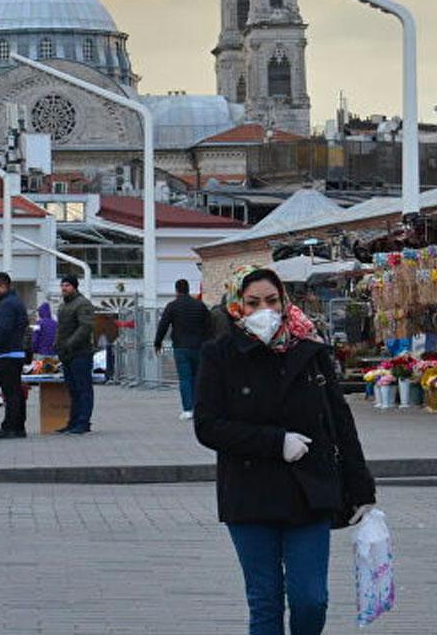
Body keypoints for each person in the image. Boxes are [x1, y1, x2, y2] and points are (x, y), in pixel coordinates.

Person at [194, 266, 376, 635]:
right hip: (249, 493)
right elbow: (208, 426)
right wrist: (276, 442)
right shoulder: (220, 355)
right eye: (253, 302)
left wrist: (361, 488)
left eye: (272, 300)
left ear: (284, 301)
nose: (265, 309)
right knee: (265, 601)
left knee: (311, 599)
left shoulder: (309, 350)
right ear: (236, 306)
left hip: (309, 490)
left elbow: (340, 422)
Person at [155, 278, 214, 420]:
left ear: (176, 290)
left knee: (185, 378)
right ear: (188, 289)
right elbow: (209, 325)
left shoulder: (172, 306)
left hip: (181, 347)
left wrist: (158, 342)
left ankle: (188, 409)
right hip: (199, 347)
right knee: (198, 378)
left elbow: (163, 325)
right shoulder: (199, 305)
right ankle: (199, 408)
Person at [0, 272, 28, 440]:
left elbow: (4, 330)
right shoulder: (14, 302)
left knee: (10, 392)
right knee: (15, 390)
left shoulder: (7, 305)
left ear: (3, 286)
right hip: (13, 352)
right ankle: (18, 427)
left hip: (7, 353)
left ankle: (10, 427)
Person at [54, 275, 96, 435]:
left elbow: (85, 328)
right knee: (73, 390)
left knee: (83, 389)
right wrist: (57, 343)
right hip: (67, 354)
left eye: (67, 285)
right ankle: (73, 422)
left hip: (80, 353)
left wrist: (68, 344)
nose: (64, 288)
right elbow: (61, 328)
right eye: (62, 285)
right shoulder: (64, 305)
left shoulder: (82, 303)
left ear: (75, 287)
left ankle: (83, 422)